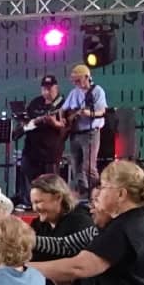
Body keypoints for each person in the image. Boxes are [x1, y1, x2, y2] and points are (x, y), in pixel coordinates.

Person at [18, 75, 66, 208]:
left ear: (56, 88)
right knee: (27, 173)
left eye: (50, 89)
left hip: (50, 150)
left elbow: (65, 126)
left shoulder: (62, 103)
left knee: (49, 181)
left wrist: (53, 122)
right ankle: (28, 203)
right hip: (31, 148)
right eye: (44, 89)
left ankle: (51, 205)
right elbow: (27, 120)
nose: (47, 92)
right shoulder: (35, 102)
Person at [62, 64, 108, 194]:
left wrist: (90, 114)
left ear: (87, 77)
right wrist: (64, 119)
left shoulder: (97, 91)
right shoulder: (74, 92)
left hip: (90, 133)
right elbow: (64, 109)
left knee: (89, 167)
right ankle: (82, 194)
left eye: (78, 80)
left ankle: (97, 194)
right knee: (76, 166)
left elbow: (102, 111)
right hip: (75, 133)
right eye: (74, 81)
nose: (75, 83)